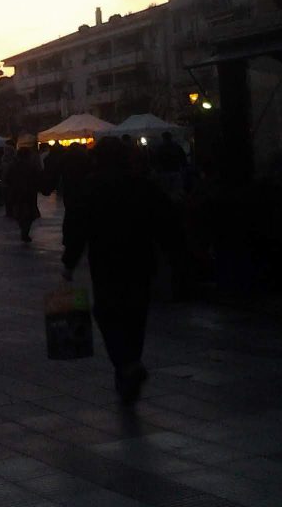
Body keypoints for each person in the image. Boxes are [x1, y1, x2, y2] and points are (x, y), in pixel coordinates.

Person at [61, 137, 173, 404]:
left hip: (107, 262)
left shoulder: (91, 188)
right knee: (136, 314)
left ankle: (126, 364)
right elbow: (166, 220)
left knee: (107, 313)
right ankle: (131, 362)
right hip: (140, 260)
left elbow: (77, 227)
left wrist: (69, 261)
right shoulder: (142, 185)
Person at [10, 147, 41, 242]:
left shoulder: (13, 166)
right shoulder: (32, 166)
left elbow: (7, 178)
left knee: (19, 213)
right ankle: (25, 231)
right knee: (30, 214)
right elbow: (38, 178)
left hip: (17, 193)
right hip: (29, 193)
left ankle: (23, 229)